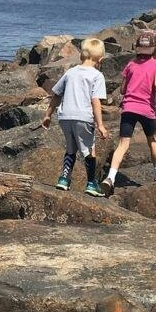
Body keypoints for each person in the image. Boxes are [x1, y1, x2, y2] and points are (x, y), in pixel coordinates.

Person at [41, 38, 109, 197]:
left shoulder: (70, 72)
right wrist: (100, 125)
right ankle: (92, 183)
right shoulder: (97, 75)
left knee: (71, 148)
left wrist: (47, 115)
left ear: (81, 56)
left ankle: (64, 179)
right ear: (101, 59)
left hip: (65, 117)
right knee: (89, 150)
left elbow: (56, 94)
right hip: (83, 117)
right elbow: (95, 101)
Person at [101, 31, 156, 195]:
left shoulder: (130, 65)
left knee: (123, 145)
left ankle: (111, 177)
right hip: (146, 109)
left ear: (137, 48)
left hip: (129, 108)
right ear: (154, 48)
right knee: (152, 140)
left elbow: (123, 89)